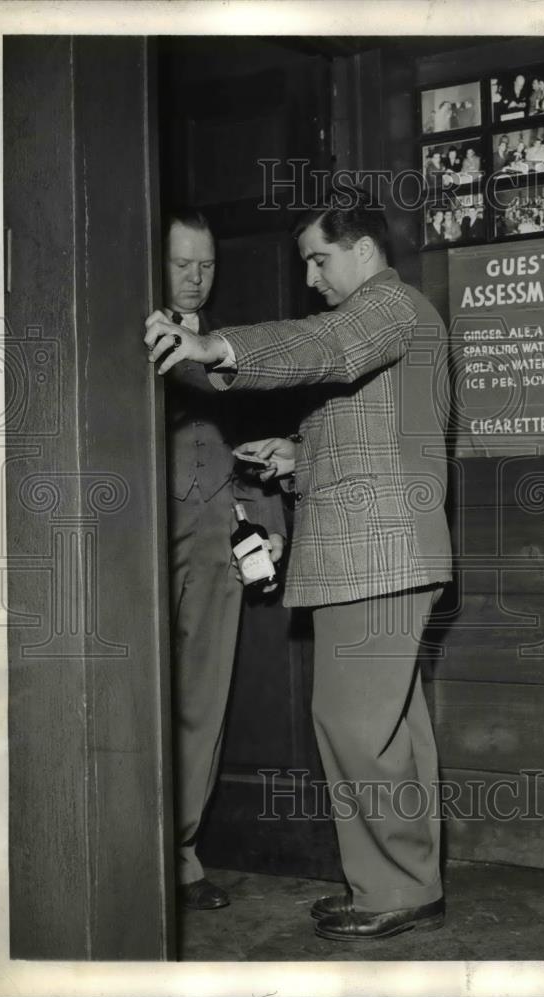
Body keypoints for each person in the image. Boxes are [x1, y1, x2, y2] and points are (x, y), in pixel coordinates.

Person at [145, 195, 453, 942]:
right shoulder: (397, 316)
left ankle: (392, 888)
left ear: (363, 251)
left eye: (319, 258)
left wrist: (217, 349)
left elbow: (324, 347)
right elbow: (370, 428)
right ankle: (404, 882)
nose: (311, 277)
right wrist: (296, 454)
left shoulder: (386, 305)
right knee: (389, 728)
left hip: (376, 554)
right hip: (385, 551)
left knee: (354, 723)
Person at [161, 209, 286, 910]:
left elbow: (255, 443)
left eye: (205, 264)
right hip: (137, 543)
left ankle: (180, 855)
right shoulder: (125, 329)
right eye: (181, 263)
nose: (194, 277)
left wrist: (266, 525)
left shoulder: (227, 346)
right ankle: (130, 851)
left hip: (214, 542)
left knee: (201, 701)